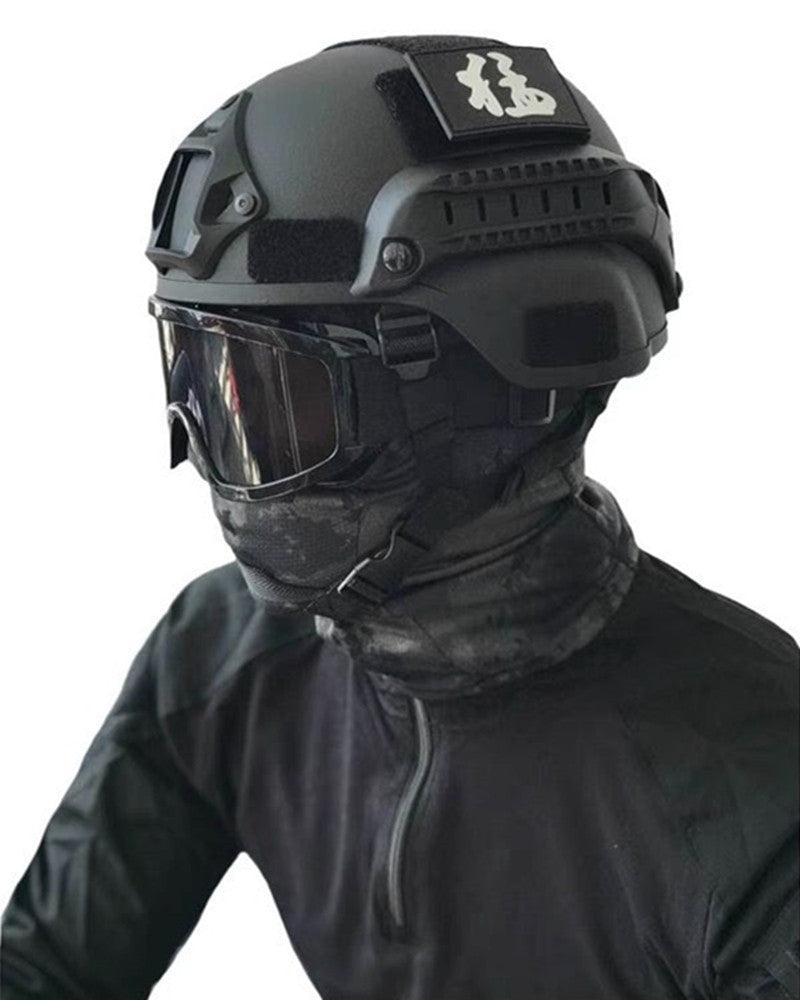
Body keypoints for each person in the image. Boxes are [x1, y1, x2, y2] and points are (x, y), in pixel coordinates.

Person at [2, 36, 797, 1000]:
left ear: (482, 407)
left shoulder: (757, 786)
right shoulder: (227, 656)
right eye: (205, 384)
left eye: (273, 400)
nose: (214, 457)